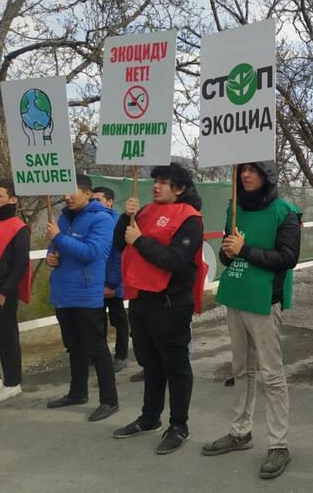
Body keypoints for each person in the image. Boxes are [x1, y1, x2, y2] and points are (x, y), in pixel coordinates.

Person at [202, 161, 301, 480]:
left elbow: (288, 258)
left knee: (271, 374)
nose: (245, 175)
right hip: (236, 295)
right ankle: (240, 431)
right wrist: (229, 252)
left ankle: (279, 444)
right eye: (242, 169)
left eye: (253, 170)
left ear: (266, 175)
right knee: (241, 370)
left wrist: (244, 250)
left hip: (264, 300)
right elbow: (225, 255)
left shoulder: (284, 212)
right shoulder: (235, 207)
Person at [112, 163, 205, 455]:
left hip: (171, 303)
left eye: (164, 182)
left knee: (176, 367)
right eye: (155, 180)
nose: (156, 186)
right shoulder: (145, 211)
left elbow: (176, 261)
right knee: (150, 364)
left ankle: (179, 425)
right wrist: (125, 217)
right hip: (141, 299)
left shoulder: (189, 218)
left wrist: (140, 240)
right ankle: (150, 417)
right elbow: (119, 244)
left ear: (179, 188)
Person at [45, 173, 118, 422]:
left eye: (72, 191)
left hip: (87, 294)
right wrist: (51, 256)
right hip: (63, 293)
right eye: (64, 192)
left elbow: (91, 252)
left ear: (87, 193)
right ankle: (77, 393)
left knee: (97, 349)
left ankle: (109, 400)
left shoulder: (102, 219)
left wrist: (58, 237)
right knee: (74, 347)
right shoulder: (63, 218)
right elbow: (55, 248)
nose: (66, 197)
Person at [0, 180, 30, 404]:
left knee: (7, 337)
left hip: (3, 291)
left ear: (13, 199)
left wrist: (5, 290)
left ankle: (13, 383)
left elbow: (21, 264)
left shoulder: (18, 227)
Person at [91, 186, 128, 372]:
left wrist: (112, 284)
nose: (94, 203)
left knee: (118, 320)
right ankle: (100, 355)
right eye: (92, 200)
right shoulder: (92, 221)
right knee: (98, 321)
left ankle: (121, 355)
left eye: (98, 200)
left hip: (113, 284)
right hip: (95, 283)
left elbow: (119, 256)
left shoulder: (117, 223)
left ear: (109, 202)